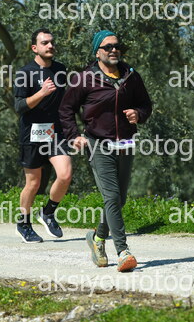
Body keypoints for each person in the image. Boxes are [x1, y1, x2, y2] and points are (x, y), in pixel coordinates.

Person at [59, 30, 152, 272]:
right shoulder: (85, 78)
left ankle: (98, 238)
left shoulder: (131, 76)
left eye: (117, 46)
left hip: (125, 143)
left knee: (119, 199)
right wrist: (74, 135)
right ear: (97, 52)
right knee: (111, 197)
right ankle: (123, 251)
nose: (114, 50)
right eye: (108, 46)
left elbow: (145, 104)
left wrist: (138, 114)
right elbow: (66, 109)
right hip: (97, 143)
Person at [14, 28, 72, 243]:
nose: (50, 46)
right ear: (34, 48)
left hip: (55, 131)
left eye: (52, 42)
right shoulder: (25, 73)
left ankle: (48, 212)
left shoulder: (60, 69)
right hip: (32, 133)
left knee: (65, 174)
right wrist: (41, 93)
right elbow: (19, 106)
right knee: (33, 183)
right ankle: (24, 224)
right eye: (45, 43)